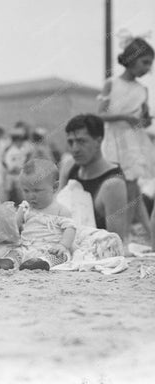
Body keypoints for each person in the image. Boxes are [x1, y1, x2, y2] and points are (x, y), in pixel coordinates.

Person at [98, 35, 155, 247]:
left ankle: (126, 237)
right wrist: (124, 117)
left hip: (135, 143)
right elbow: (100, 115)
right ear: (131, 58)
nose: (148, 68)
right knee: (120, 187)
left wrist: (144, 119)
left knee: (132, 187)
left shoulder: (143, 90)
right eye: (145, 62)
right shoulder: (111, 84)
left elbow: (143, 123)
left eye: (150, 64)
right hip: (114, 139)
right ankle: (125, 234)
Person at [0, 159, 76, 271]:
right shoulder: (25, 208)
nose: (31, 196)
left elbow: (70, 229)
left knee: (59, 256)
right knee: (16, 252)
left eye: (37, 190)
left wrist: (63, 245)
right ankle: (7, 262)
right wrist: (0, 233)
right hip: (27, 247)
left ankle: (42, 263)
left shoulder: (60, 210)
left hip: (51, 248)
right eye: (26, 191)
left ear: (54, 187)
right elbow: (13, 226)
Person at [59, 114, 128, 246]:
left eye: (81, 141)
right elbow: (55, 212)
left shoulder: (112, 184)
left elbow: (116, 242)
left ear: (98, 141)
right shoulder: (69, 167)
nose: (75, 149)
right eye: (71, 142)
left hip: (95, 256)